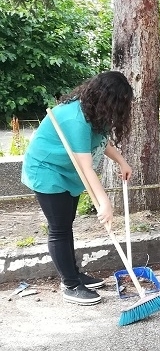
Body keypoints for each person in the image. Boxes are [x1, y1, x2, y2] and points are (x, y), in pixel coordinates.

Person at [21, 71, 133, 305]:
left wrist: (121, 161)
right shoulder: (75, 119)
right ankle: (70, 284)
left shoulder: (95, 110)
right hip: (47, 170)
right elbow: (85, 167)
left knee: (66, 223)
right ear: (106, 99)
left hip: (68, 169)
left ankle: (74, 274)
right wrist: (104, 202)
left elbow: (103, 141)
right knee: (59, 227)